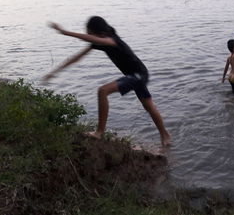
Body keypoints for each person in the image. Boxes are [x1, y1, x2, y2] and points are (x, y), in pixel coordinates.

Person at [43, 16, 171, 147]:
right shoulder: (101, 41)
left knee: (103, 91)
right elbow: (77, 57)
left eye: (89, 32)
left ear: (99, 32)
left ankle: (99, 132)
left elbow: (94, 39)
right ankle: (165, 136)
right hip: (136, 75)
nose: (88, 35)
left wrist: (65, 32)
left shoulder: (112, 40)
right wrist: (55, 72)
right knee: (148, 107)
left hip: (139, 75)